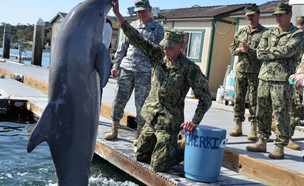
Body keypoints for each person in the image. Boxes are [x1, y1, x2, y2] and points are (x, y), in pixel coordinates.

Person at [111, 0, 212, 172]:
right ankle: (166, 147)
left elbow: (205, 99)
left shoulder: (190, 69)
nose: (165, 50)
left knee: (158, 165)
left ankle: (183, 147)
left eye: (170, 47)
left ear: (181, 46)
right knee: (141, 155)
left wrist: (195, 121)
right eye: (164, 46)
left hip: (169, 122)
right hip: (151, 118)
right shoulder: (157, 56)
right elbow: (137, 39)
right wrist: (119, 16)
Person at [246, 3, 304, 159]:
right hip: (264, 77)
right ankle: (262, 140)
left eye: (280, 15)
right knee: (262, 111)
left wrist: (270, 50)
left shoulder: (297, 34)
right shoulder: (269, 33)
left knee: (281, 112)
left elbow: (288, 50)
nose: (277, 18)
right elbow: (259, 53)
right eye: (275, 15)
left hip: (282, 80)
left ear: (289, 15)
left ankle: (279, 145)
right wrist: (274, 51)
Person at [104, 0, 164, 144]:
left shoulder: (158, 29)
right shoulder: (131, 26)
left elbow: (161, 53)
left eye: (143, 11)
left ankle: (139, 135)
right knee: (119, 100)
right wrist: (116, 65)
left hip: (144, 72)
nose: (141, 14)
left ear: (149, 9)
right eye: (138, 12)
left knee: (142, 105)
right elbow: (122, 47)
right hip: (126, 69)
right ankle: (114, 129)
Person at [229, 4, 268, 141]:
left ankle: (253, 128)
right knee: (238, 99)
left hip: (255, 73)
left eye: (252, 15)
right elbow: (232, 48)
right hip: (240, 71)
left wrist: (250, 50)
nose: (250, 18)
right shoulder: (241, 32)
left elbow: (265, 53)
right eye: (248, 15)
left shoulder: (265, 33)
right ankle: (238, 126)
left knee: (254, 101)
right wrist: (240, 49)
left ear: (258, 15)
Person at [287, 16, 304, 150]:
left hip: (296, 77)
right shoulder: (293, 37)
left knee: (294, 108)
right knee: (293, 108)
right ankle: (287, 137)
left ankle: (287, 135)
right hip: (292, 77)